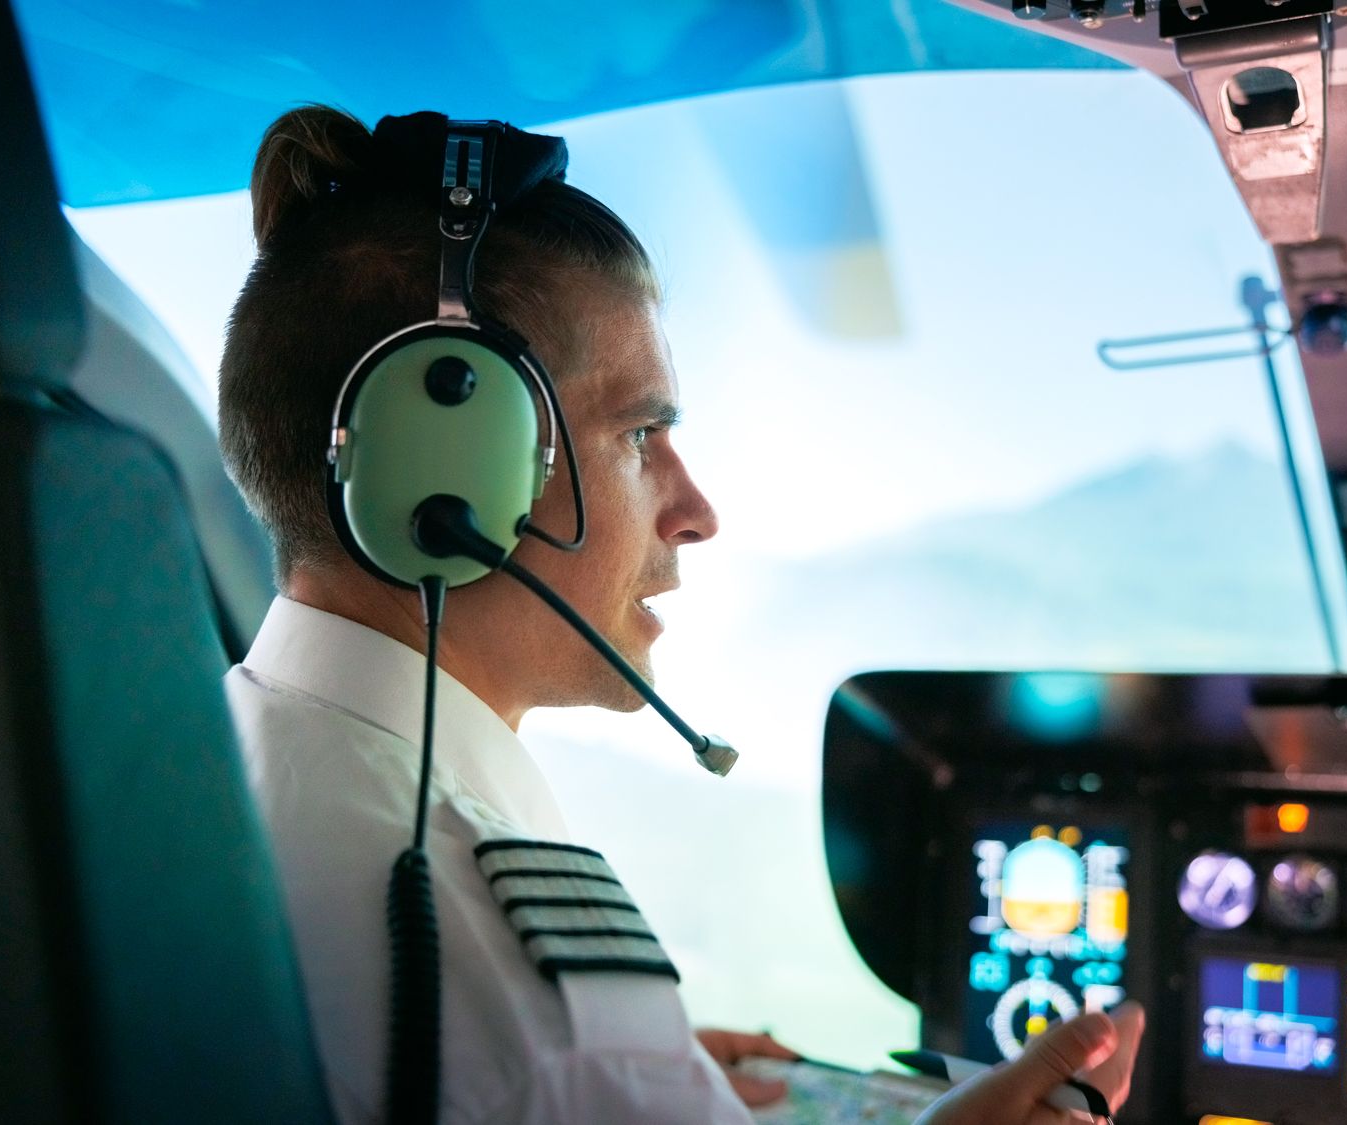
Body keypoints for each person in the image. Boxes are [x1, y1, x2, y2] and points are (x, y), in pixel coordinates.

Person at [217, 105, 1144, 1124]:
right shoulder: (542, 1011)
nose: (697, 511)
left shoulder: (208, 762)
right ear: (447, 471)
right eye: (638, 435)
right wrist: (621, 1075)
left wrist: (663, 1083)